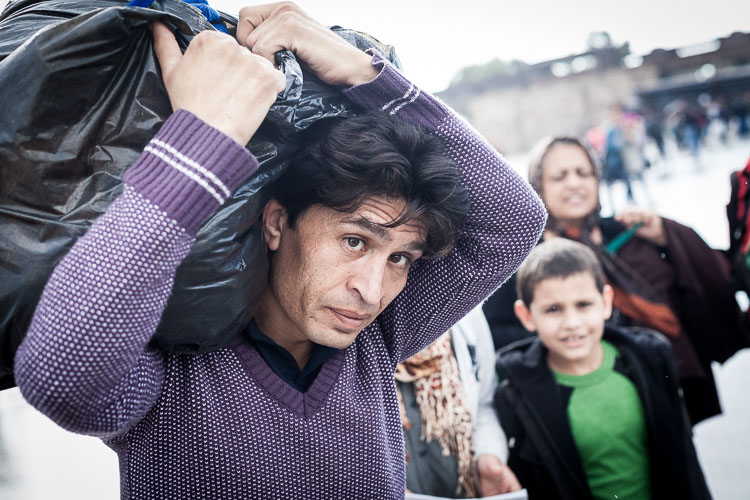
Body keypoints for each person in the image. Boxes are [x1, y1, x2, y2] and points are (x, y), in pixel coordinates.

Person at [14, 3, 546, 498]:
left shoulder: (376, 344)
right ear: (276, 222)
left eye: (400, 258)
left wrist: (365, 74)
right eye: (354, 240)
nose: (372, 289)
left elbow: (515, 219)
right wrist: (200, 140)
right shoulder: (178, 366)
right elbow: (61, 379)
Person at [483, 134, 747, 425]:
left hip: (659, 394)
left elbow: (713, 280)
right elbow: (498, 336)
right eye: (559, 176)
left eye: (583, 173)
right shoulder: (523, 259)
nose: (574, 183)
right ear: (538, 186)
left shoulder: (628, 234)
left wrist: (666, 235)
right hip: (577, 410)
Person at [494, 238, 712, 500]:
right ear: (527, 316)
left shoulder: (649, 360)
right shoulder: (515, 393)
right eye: (553, 309)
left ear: (606, 302)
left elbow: (685, 459)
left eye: (583, 305)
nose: (572, 323)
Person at [396, 306, 520, 498]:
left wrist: (488, 455)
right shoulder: (353, 317)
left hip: (461, 486)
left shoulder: (467, 312)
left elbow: (484, 403)